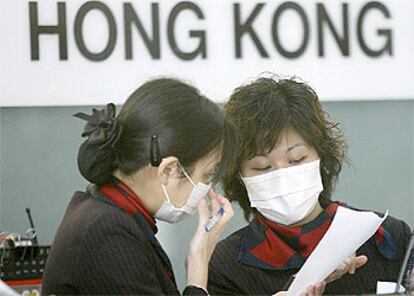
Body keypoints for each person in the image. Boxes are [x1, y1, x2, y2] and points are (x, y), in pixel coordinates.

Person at [207, 76, 412, 295]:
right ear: (239, 176)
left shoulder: (384, 235)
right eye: (263, 167)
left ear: (321, 155)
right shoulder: (226, 266)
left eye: (296, 160)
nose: (282, 175)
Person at [41, 78, 237, 295]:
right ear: (169, 170)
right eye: (207, 174)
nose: (206, 189)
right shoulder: (108, 231)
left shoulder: (106, 214)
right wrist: (198, 271)